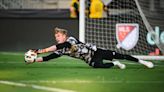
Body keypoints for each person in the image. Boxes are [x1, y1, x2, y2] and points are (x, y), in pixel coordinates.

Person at [26, 27, 154, 69]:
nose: (57, 38)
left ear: (64, 35)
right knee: (98, 66)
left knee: (122, 55)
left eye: (58, 35)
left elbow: (63, 46)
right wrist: (34, 60)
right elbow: (48, 58)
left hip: (96, 51)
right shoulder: (60, 50)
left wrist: (40, 50)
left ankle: (142, 62)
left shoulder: (70, 40)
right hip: (90, 60)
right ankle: (114, 64)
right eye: (56, 36)